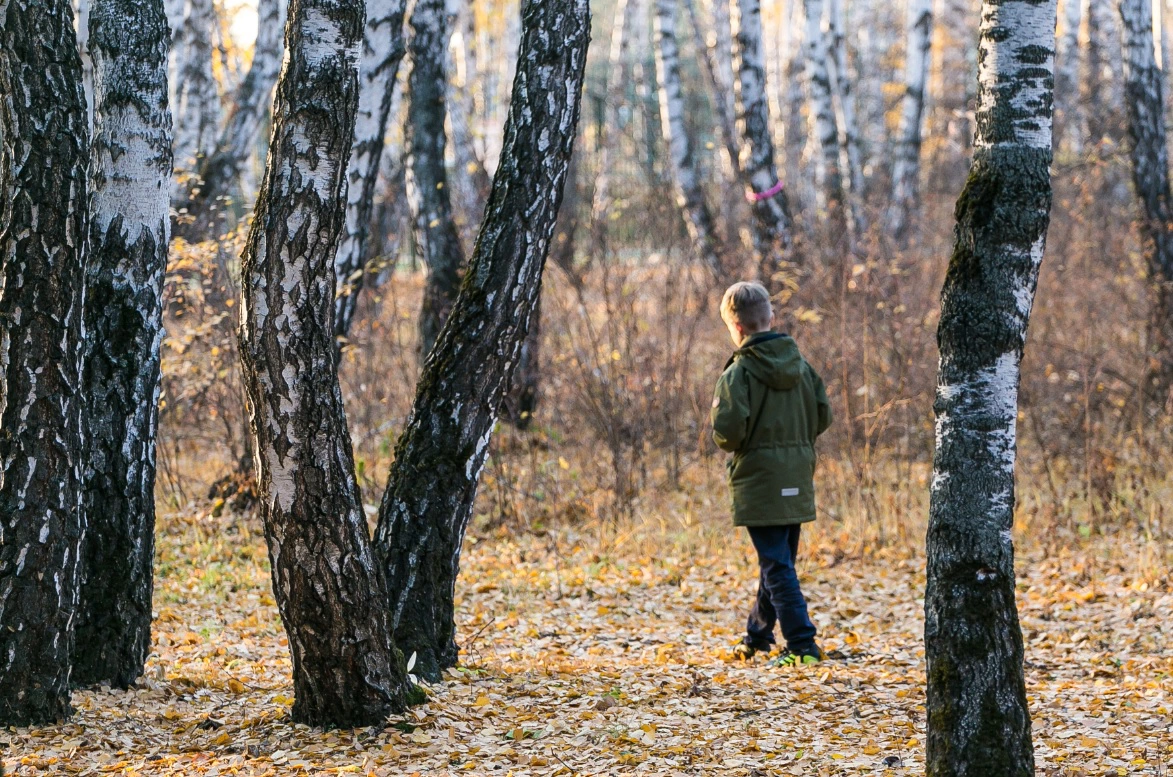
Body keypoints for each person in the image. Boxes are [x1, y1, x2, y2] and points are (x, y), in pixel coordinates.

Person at [710, 281, 833, 666]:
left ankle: (802, 646)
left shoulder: (739, 373)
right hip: (796, 475)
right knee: (778, 563)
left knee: (776, 566)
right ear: (770, 318)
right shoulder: (802, 366)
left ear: (736, 327)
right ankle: (757, 636)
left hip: (760, 480)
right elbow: (823, 416)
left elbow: (727, 434)